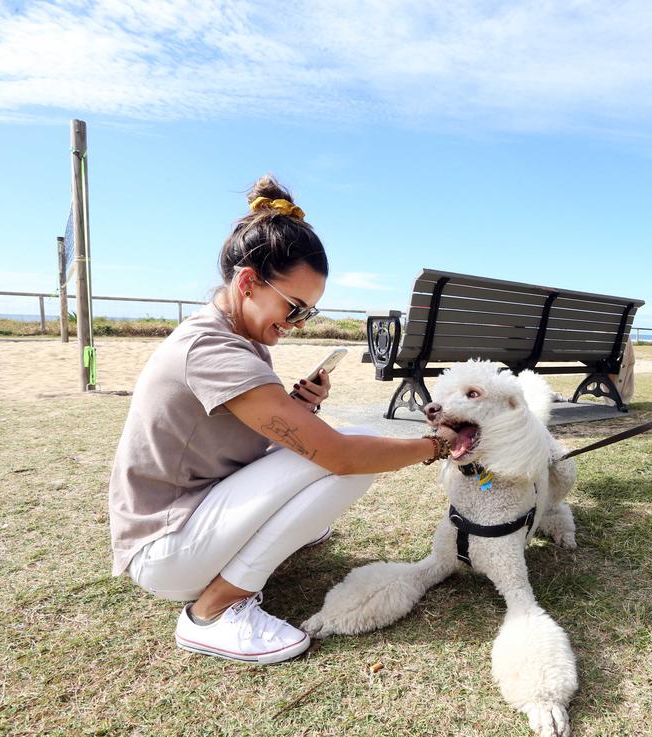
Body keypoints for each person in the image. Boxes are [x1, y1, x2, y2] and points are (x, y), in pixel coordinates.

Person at [108, 175, 453, 665]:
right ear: (248, 282)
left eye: (307, 314)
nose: (295, 325)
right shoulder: (211, 348)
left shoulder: (238, 338)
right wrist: (437, 446)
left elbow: (250, 438)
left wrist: (301, 410)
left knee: (334, 451)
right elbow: (338, 454)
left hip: (189, 518)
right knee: (351, 450)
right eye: (294, 308)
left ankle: (266, 547)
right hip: (165, 549)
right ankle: (212, 611)